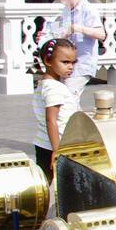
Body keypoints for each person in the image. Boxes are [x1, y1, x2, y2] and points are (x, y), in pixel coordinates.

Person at [44, 0, 105, 98]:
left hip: (82, 62)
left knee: (68, 96)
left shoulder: (88, 10)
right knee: (65, 96)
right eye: (61, 0)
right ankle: (76, 117)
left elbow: (101, 34)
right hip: (66, 62)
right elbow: (58, 31)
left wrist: (78, 28)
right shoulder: (66, 10)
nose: (64, 3)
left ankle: (70, 117)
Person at [33, 38, 79, 181]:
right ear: (48, 61)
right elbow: (50, 118)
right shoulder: (54, 88)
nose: (70, 67)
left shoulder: (45, 84)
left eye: (73, 62)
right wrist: (56, 150)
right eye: (65, 62)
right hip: (56, 145)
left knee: (44, 183)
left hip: (44, 143)